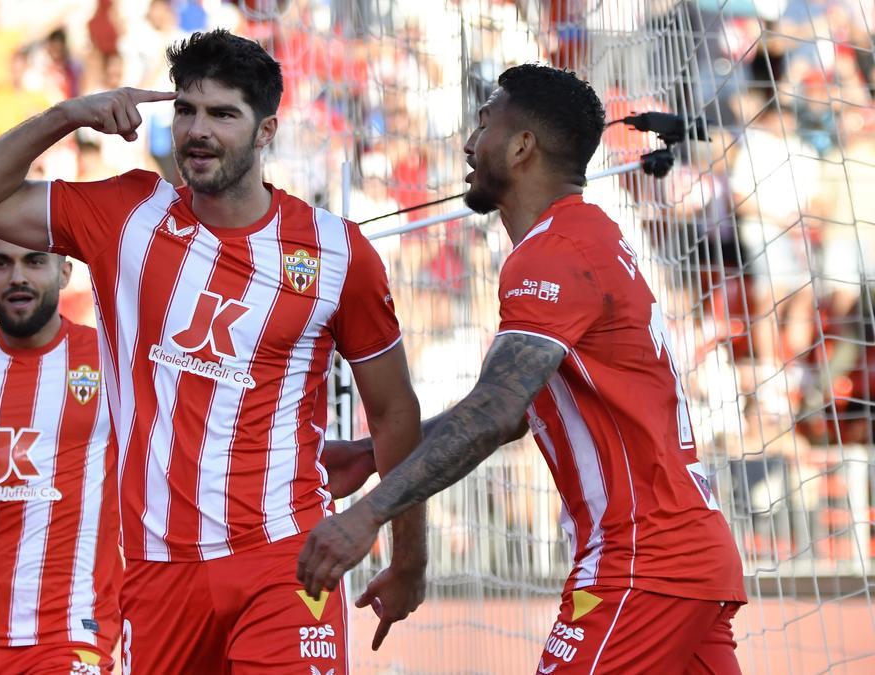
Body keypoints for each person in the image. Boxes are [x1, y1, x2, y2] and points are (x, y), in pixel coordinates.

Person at [0, 29, 425, 675]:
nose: (199, 130)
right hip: (155, 568)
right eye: (187, 110)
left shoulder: (336, 252)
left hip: (283, 557)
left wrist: (410, 558)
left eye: (223, 114)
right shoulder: (126, 213)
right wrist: (64, 116)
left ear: (266, 131)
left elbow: (394, 412)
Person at [296, 64, 748, 674]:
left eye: (483, 124)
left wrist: (366, 515)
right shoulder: (588, 238)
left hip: (643, 560)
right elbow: (520, 411)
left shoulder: (555, 254)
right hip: (680, 554)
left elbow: (495, 409)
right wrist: (375, 453)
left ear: (521, 146)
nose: (466, 143)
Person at [0, 234, 379, 674]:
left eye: (34, 261)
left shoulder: (121, 360)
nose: (18, 277)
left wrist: (342, 458)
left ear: (64, 269)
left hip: (69, 637)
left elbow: (212, 440)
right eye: (1, 263)